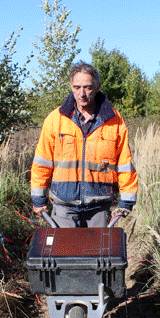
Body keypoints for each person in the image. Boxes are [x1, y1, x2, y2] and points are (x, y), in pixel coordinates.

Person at [31, 61, 138, 228]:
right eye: (76, 87)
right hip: (63, 206)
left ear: (97, 86)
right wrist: (38, 198)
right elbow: (42, 162)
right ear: (71, 86)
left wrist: (127, 200)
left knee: (96, 254)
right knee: (65, 254)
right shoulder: (55, 120)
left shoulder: (114, 121)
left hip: (99, 207)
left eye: (87, 87)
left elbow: (124, 163)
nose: (82, 93)